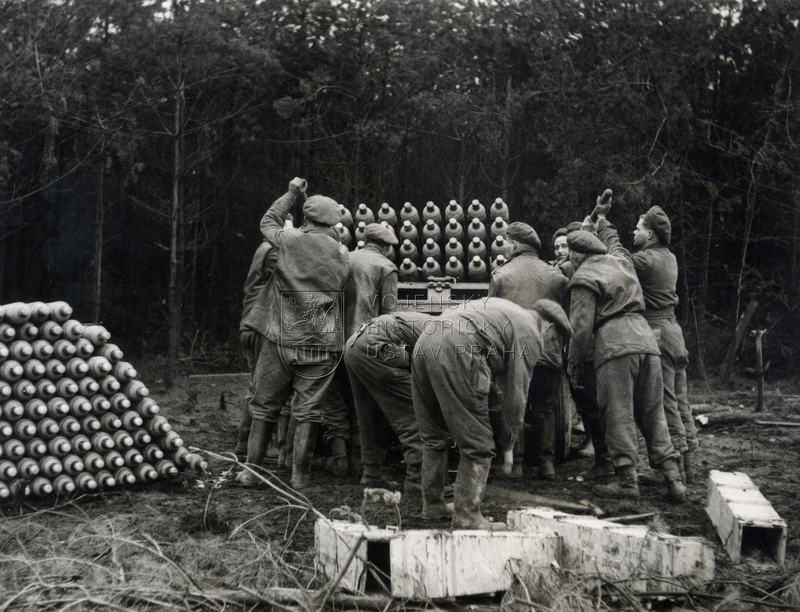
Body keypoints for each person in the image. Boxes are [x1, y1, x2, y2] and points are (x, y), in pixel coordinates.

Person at [412, 297, 572, 528]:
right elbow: (517, 395)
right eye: (555, 340)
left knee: (434, 436)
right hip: (456, 347)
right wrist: (508, 445)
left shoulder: (507, 311)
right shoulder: (530, 331)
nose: (551, 347)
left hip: (426, 341)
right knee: (478, 444)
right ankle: (467, 515)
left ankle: (433, 504)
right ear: (548, 327)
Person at [237, 177, 349, 490]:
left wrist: (291, 194)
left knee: (263, 406)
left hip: (281, 337)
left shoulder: (289, 241)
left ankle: (251, 472)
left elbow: (268, 221)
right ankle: (300, 476)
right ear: (333, 223)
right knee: (308, 411)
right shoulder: (342, 253)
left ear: (307, 218)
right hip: (321, 342)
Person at [565, 226, 686, 502]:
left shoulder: (584, 276)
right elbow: (617, 245)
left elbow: (581, 329)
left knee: (617, 413)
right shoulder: (621, 264)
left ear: (576, 254)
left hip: (616, 344)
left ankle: (627, 482)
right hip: (647, 339)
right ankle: (674, 478)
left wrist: (574, 365)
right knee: (653, 412)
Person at [595, 206, 697, 482]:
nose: (634, 232)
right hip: (674, 332)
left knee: (664, 406)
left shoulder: (646, 260)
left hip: (656, 334)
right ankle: (688, 466)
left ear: (650, 234)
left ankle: (677, 472)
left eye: (638, 228)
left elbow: (619, 258)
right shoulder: (670, 258)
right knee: (681, 402)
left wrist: (604, 224)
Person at [488, 222, 567, 480]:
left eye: (506, 243)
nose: (505, 247)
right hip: (548, 351)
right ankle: (546, 465)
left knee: (514, 405)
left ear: (514, 244)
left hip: (516, 353)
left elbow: (493, 320)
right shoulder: (557, 276)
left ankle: (516, 464)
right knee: (545, 407)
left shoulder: (501, 276)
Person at [324, 223, 400, 476]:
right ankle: (362, 463)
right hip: (363, 344)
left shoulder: (344, 258)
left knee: (335, 399)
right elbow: (389, 315)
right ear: (386, 247)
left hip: (333, 341)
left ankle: (339, 458)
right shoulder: (386, 268)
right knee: (364, 404)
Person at [343, 311, 433, 492]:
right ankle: (418, 478)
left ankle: (371, 474)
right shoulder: (451, 334)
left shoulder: (438, 323)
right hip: (378, 345)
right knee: (416, 414)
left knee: (371, 416)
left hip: (354, 344)